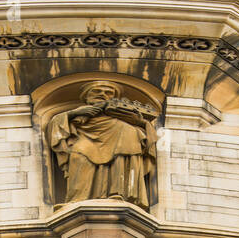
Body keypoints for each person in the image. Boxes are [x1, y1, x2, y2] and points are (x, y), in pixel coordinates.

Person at [47, 81, 158, 210]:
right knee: (78, 156)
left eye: (108, 93)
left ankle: (117, 194)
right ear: (86, 96)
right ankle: (77, 199)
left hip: (118, 133)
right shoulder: (78, 112)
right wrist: (75, 113)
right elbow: (55, 124)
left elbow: (145, 126)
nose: (102, 94)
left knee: (122, 153)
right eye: (97, 91)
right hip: (85, 136)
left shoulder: (119, 109)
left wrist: (139, 122)